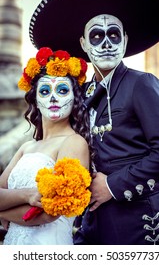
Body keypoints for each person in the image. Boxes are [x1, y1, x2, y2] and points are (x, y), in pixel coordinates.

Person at [27, 0, 159, 244]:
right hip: (91, 221)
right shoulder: (79, 94)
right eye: (96, 36)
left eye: (114, 35)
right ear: (83, 44)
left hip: (136, 220)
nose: (106, 44)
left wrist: (113, 186)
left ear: (125, 41)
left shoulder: (142, 84)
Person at [0, 47, 93, 245]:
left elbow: (50, 212)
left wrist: (4, 210)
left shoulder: (75, 142)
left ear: (75, 98)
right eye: (44, 91)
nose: (53, 97)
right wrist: (29, 195)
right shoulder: (27, 147)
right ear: (35, 98)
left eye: (62, 90)